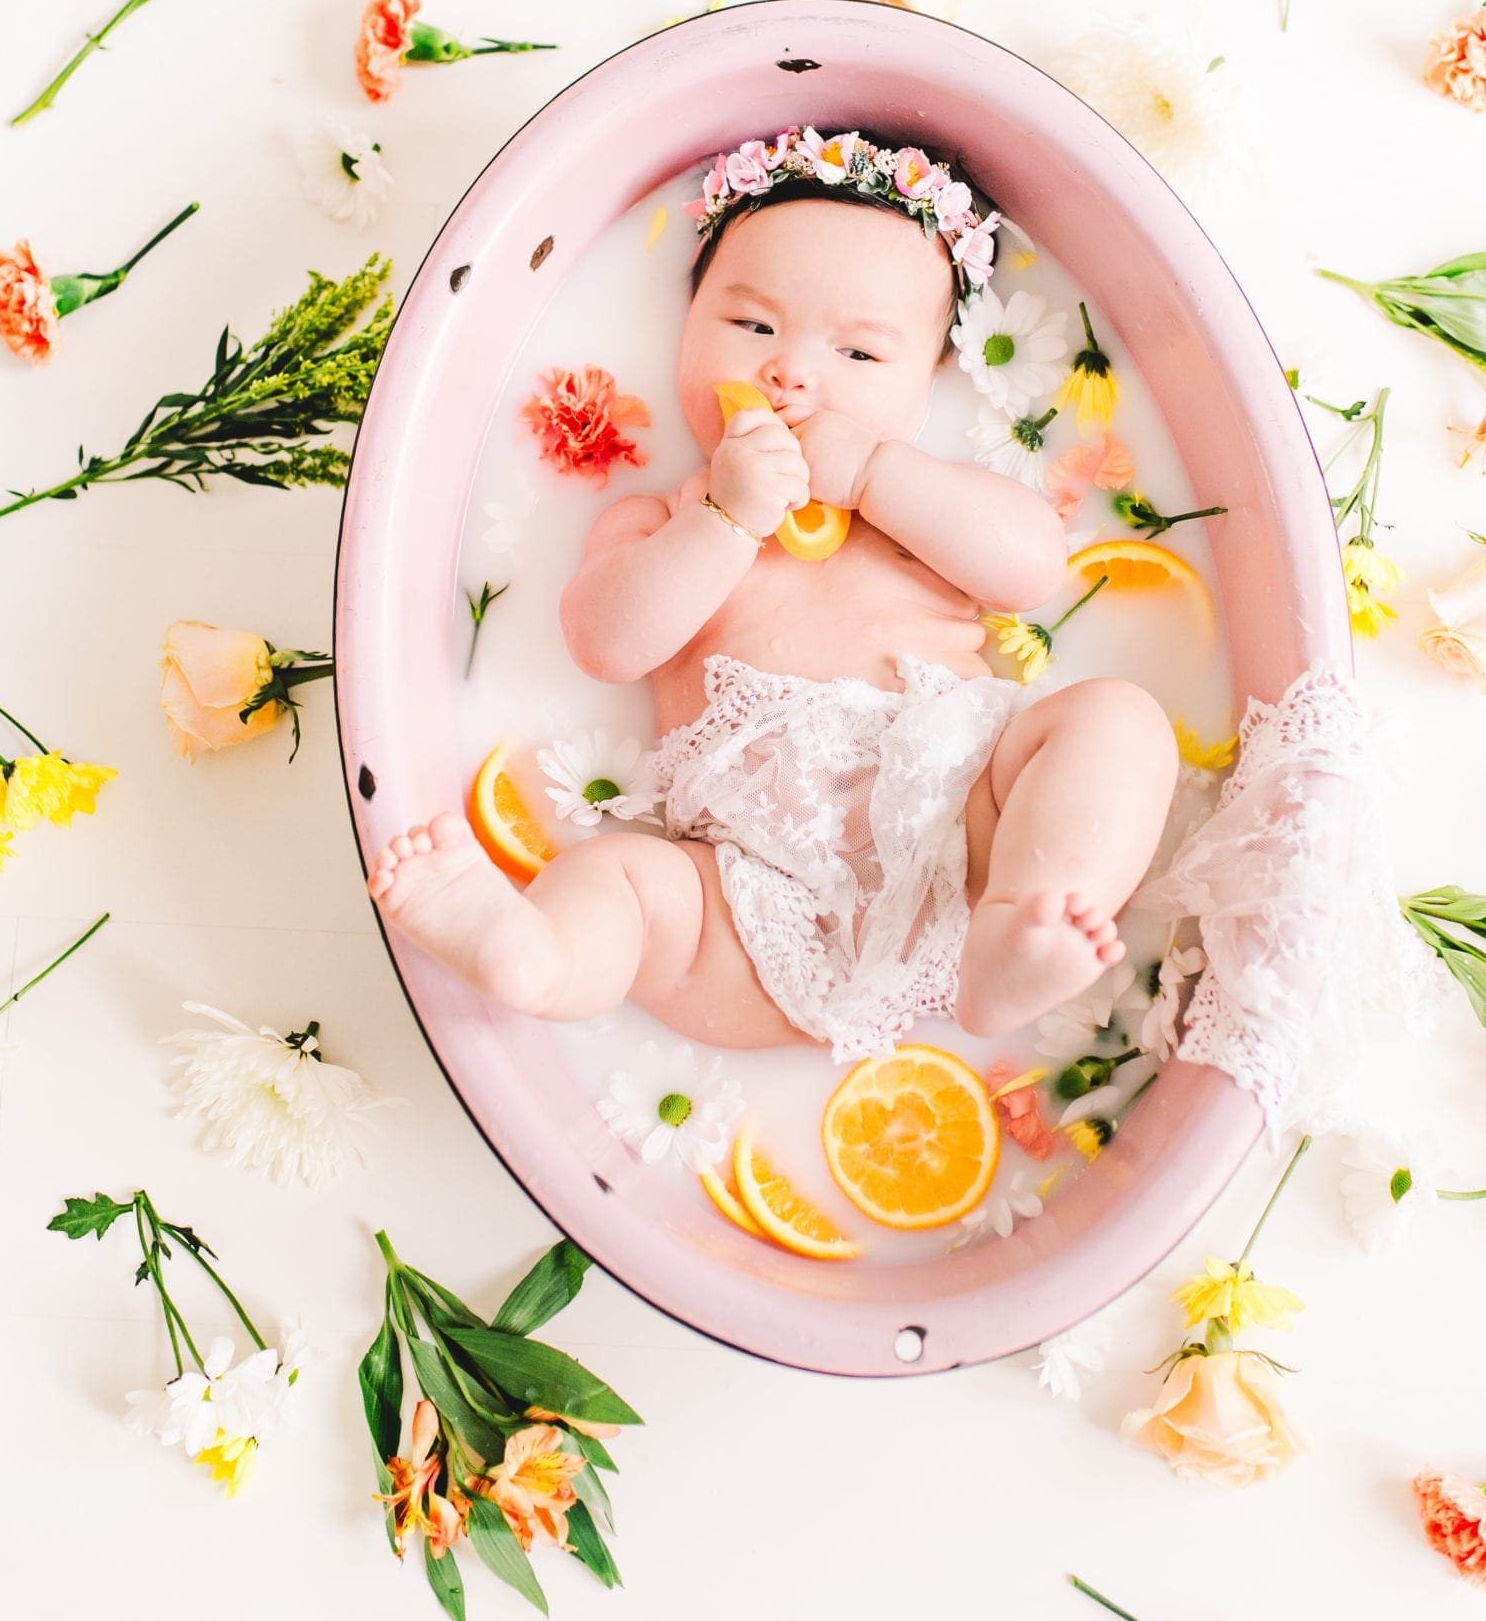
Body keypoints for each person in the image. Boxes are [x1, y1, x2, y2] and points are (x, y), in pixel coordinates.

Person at [368, 127, 1178, 1056]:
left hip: (964, 820)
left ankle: (1024, 921)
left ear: (926, 383)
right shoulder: (661, 522)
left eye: (860, 357)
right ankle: (541, 959)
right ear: (687, 325)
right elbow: (604, 641)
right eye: (752, 327)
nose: (792, 372)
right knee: (631, 884)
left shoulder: (920, 506)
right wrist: (723, 521)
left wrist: (876, 473)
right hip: (748, 882)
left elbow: (1033, 565)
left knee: (1115, 721)